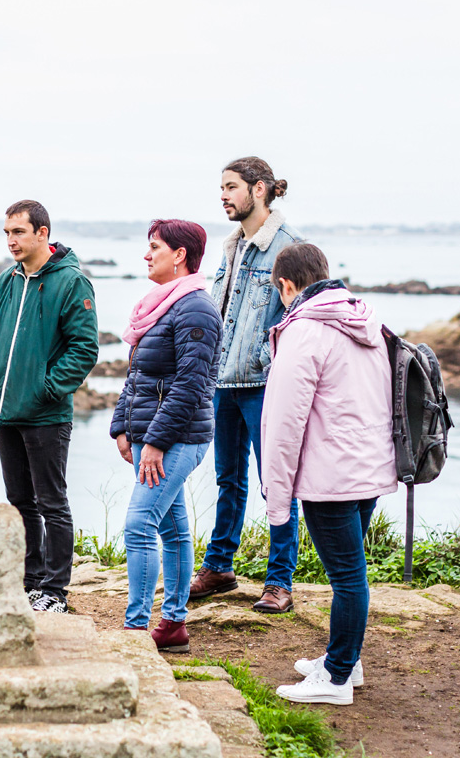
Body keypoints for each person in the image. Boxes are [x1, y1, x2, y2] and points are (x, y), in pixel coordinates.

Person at [262, 243, 397, 705]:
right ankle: (347, 658)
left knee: (346, 575)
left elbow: (282, 424)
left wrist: (276, 500)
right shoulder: (366, 322)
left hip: (331, 475)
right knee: (351, 568)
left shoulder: (305, 332)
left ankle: (337, 678)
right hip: (369, 467)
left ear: (287, 285)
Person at [190, 156, 305, 614]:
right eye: (221, 187)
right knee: (228, 479)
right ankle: (219, 568)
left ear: (259, 190)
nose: (223, 195)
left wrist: (261, 360)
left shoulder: (289, 248)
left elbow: (297, 318)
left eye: (231, 186)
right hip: (222, 382)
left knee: (276, 484)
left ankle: (279, 582)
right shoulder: (231, 247)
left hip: (262, 385)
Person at [0, 200, 99, 614]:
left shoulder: (71, 282)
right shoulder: (7, 281)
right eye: (7, 233)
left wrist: (45, 389)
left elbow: (85, 349)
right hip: (5, 410)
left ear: (42, 233)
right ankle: (30, 581)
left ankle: (55, 591)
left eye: (19, 232)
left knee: (51, 502)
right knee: (19, 501)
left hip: (46, 414)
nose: (12, 240)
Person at [110, 220, 221, 653]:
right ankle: (173, 626)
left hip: (178, 439)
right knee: (172, 530)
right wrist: (122, 425)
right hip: (150, 435)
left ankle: (136, 630)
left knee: (139, 525)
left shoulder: (195, 309)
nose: (146, 254)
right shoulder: (158, 306)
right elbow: (138, 375)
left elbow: (193, 386)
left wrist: (154, 443)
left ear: (179, 255)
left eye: (154, 246)